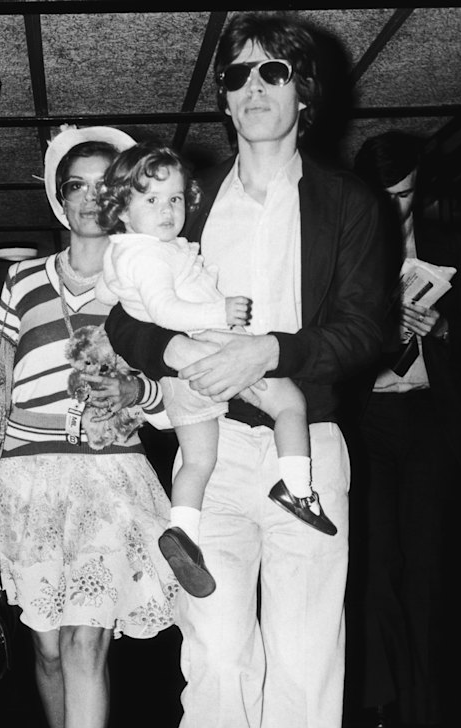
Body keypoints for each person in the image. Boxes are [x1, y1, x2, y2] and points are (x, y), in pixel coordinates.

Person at [105, 12, 387, 728]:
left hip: (308, 448)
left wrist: (272, 350)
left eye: (274, 73)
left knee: (303, 673)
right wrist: (182, 350)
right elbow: (126, 312)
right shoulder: (188, 199)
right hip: (213, 455)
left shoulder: (349, 202)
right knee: (220, 662)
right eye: (237, 76)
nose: (253, 88)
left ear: (305, 90)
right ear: (223, 99)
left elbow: (365, 327)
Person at [0, 125, 178, 728]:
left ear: (121, 194)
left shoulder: (147, 277)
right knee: (46, 651)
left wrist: (138, 389)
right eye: (74, 185)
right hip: (31, 480)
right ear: (58, 196)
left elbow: (178, 389)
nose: (88, 198)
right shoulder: (24, 283)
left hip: (110, 476)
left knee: (87, 641)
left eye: (102, 184)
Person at [96, 142, 336, 598]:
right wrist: (220, 309)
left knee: (199, 460)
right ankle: (299, 489)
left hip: (179, 374)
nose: (168, 211)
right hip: (209, 345)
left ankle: (182, 530)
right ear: (122, 209)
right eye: (150, 200)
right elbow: (165, 308)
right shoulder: (151, 255)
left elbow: (112, 299)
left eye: (175, 198)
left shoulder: (124, 253)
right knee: (291, 402)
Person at [349, 130, 461, 728]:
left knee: (427, 570)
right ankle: (380, 712)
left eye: (404, 196)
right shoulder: (347, 246)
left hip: (430, 418)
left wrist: (444, 326)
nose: (395, 209)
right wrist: (381, 328)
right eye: (384, 197)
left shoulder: (452, 245)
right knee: (377, 569)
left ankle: (424, 717)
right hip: (367, 417)